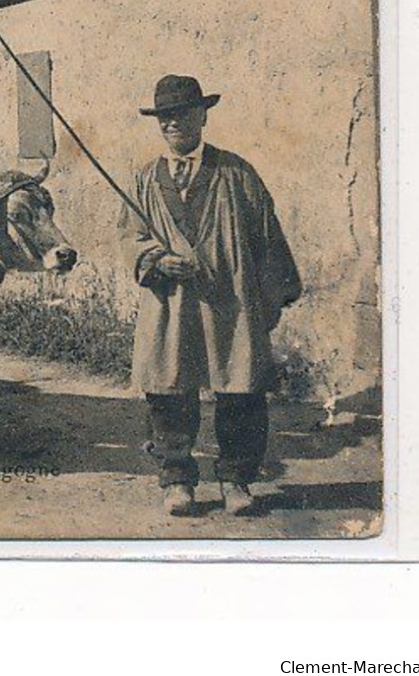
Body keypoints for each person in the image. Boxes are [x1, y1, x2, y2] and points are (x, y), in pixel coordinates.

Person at [120, 75, 301, 518]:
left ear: (203, 115)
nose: (173, 123)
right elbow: (129, 235)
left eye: (182, 113)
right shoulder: (145, 179)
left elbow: (266, 237)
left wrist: (268, 299)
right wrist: (156, 260)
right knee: (168, 389)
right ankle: (177, 480)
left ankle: (236, 480)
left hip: (230, 302)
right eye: (165, 116)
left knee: (240, 389)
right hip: (171, 303)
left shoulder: (237, 174)